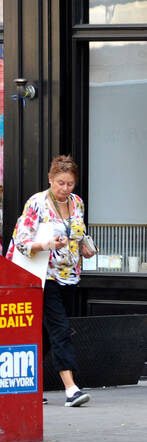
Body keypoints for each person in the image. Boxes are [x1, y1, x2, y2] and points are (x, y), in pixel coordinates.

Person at [5, 155, 98, 407]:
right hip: (43, 275)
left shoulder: (77, 203)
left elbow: (77, 234)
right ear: (50, 179)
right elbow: (22, 241)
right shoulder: (37, 203)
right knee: (59, 329)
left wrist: (85, 248)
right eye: (60, 183)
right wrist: (47, 244)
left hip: (69, 275)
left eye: (69, 184)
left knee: (45, 333)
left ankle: (23, 384)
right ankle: (71, 388)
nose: (64, 189)